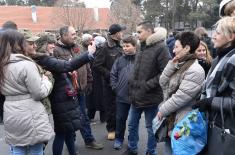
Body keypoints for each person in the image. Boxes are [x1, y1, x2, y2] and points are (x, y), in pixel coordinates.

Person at [0, 29, 54, 155]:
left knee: (18, 148)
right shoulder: (26, 64)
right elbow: (38, 93)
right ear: (18, 44)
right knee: (36, 149)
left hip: (11, 112)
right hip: (30, 113)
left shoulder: (2, 64)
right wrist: (46, 81)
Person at [53, 26, 103, 153]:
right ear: (63, 36)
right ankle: (72, 143)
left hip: (80, 89)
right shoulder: (56, 50)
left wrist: (90, 80)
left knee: (83, 116)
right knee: (70, 120)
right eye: (72, 34)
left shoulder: (78, 47)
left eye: (75, 34)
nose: (75, 36)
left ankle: (89, 140)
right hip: (67, 92)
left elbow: (86, 65)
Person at [123, 23, 170, 155]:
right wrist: (131, 81)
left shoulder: (161, 48)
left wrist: (147, 85)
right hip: (135, 95)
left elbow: (165, 72)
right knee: (131, 125)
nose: (137, 35)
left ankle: (151, 151)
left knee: (150, 127)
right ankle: (132, 149)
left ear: (149, 31)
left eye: (139, 32)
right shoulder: (141, 47)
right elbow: (138, 69)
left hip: (151, 96)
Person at [156, 31, 205, 155]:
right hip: (171, 117)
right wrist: (172, 64)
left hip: (182, 120)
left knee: (179, 150)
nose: (173, 51)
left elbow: (181, 97)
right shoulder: (179, 64)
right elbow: (163, 82)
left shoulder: (195, 70)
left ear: (187, 48)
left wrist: (162, 110)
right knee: (169, 148)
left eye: (176, 47)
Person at [193, 16, 235, 155]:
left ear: (231, 37)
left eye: (217, 33)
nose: (213, 36)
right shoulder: (219, 58)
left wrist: (211, 102)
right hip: (214, 122)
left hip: (227, 128)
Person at [93, 23, 126, 140]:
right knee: (111, 108)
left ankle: (120, 129)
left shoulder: (123, 46)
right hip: (109, 84)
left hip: (123, 83)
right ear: (116, 34)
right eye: (121, 32)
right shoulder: (104, 47)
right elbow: (97, 65)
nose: (123, 33)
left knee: (122, 107)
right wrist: (109, 75)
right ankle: (111, 129)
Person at [110, 36, 137, 150]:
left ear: (134, 46)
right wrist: (115, 87)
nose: (125, 48)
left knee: (133, 122)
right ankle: (119, 138)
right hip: (121, 95)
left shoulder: (140, 59)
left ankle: (132, 141)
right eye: (123, 46)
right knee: (120, 119)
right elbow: (113, 74)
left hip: (136, 96)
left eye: (127, 46)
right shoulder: (119, 60)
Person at [87, 35, 107, 122]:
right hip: (99, 78)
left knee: (93, 98)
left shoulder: (92, 52)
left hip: (95, 77)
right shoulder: (100, 52)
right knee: (101, 98)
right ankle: (103, 117)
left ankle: (90, 116)